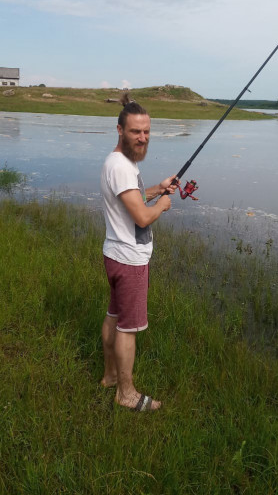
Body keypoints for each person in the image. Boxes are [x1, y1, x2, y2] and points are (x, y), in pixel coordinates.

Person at [100, 94, 178, 412]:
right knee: (128, 328)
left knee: (114, 317)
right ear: (119, 130)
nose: (142, 138)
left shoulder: (121, 163)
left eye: (146, 132)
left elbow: (130, 198)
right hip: (130, 260)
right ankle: (126, 393)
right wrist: (162, 204)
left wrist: (157, 189)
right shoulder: (121, 166)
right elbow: (142, 216)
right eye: (135, 131)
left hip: (116, 254)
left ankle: (109, 377)